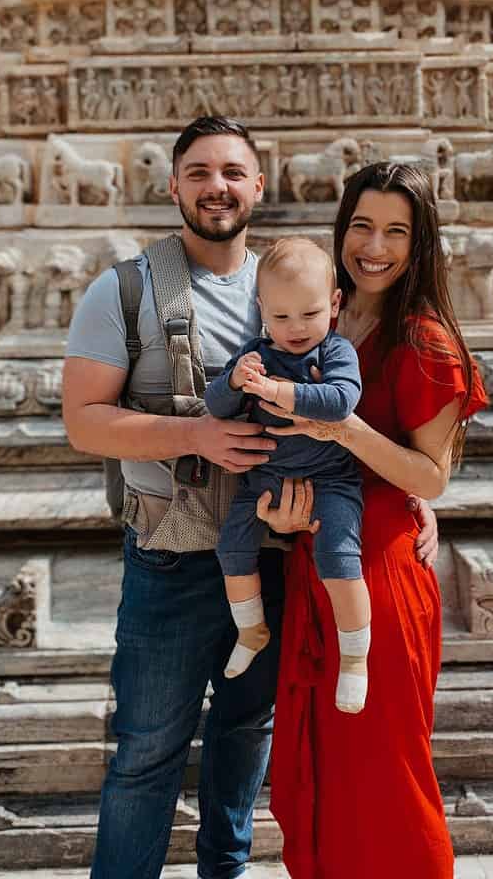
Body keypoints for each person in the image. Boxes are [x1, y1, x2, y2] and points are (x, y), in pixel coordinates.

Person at [62, 117, 440, 879]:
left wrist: (406, 489)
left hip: (277, 558)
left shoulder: (293, 284)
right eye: (198, 173)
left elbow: (368, 411)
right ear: (172, 186)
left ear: (259, 187)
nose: (217, 187)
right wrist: (195, 434)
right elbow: (82, 422)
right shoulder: (124, 288)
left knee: (243, 753)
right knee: (144, 757)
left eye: (233, 172)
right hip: (171, 562)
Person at [267, 161, 488, 879]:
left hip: (378, 574)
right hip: (320, 555)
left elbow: (432, 477)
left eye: (398, 230)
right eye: (362, 225)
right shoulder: (321, 312)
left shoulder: (423, 339)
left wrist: (343, 430)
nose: (376, 246)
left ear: (420, 242)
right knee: (331, 773)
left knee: (387, 775)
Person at [205, 237, 370, 714]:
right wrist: (236, 380)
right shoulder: (255, 355)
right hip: (264, 478)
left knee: (339, 559)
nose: (295, 329)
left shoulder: (336, 352)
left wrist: (280, 390)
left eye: (309, 314)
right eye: (280, 317)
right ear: (261, 310)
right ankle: (252, 629)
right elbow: (217, 407)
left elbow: (341, 401)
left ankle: (356, 657)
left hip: (331, 480)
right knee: (231, 547)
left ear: (334, 304)